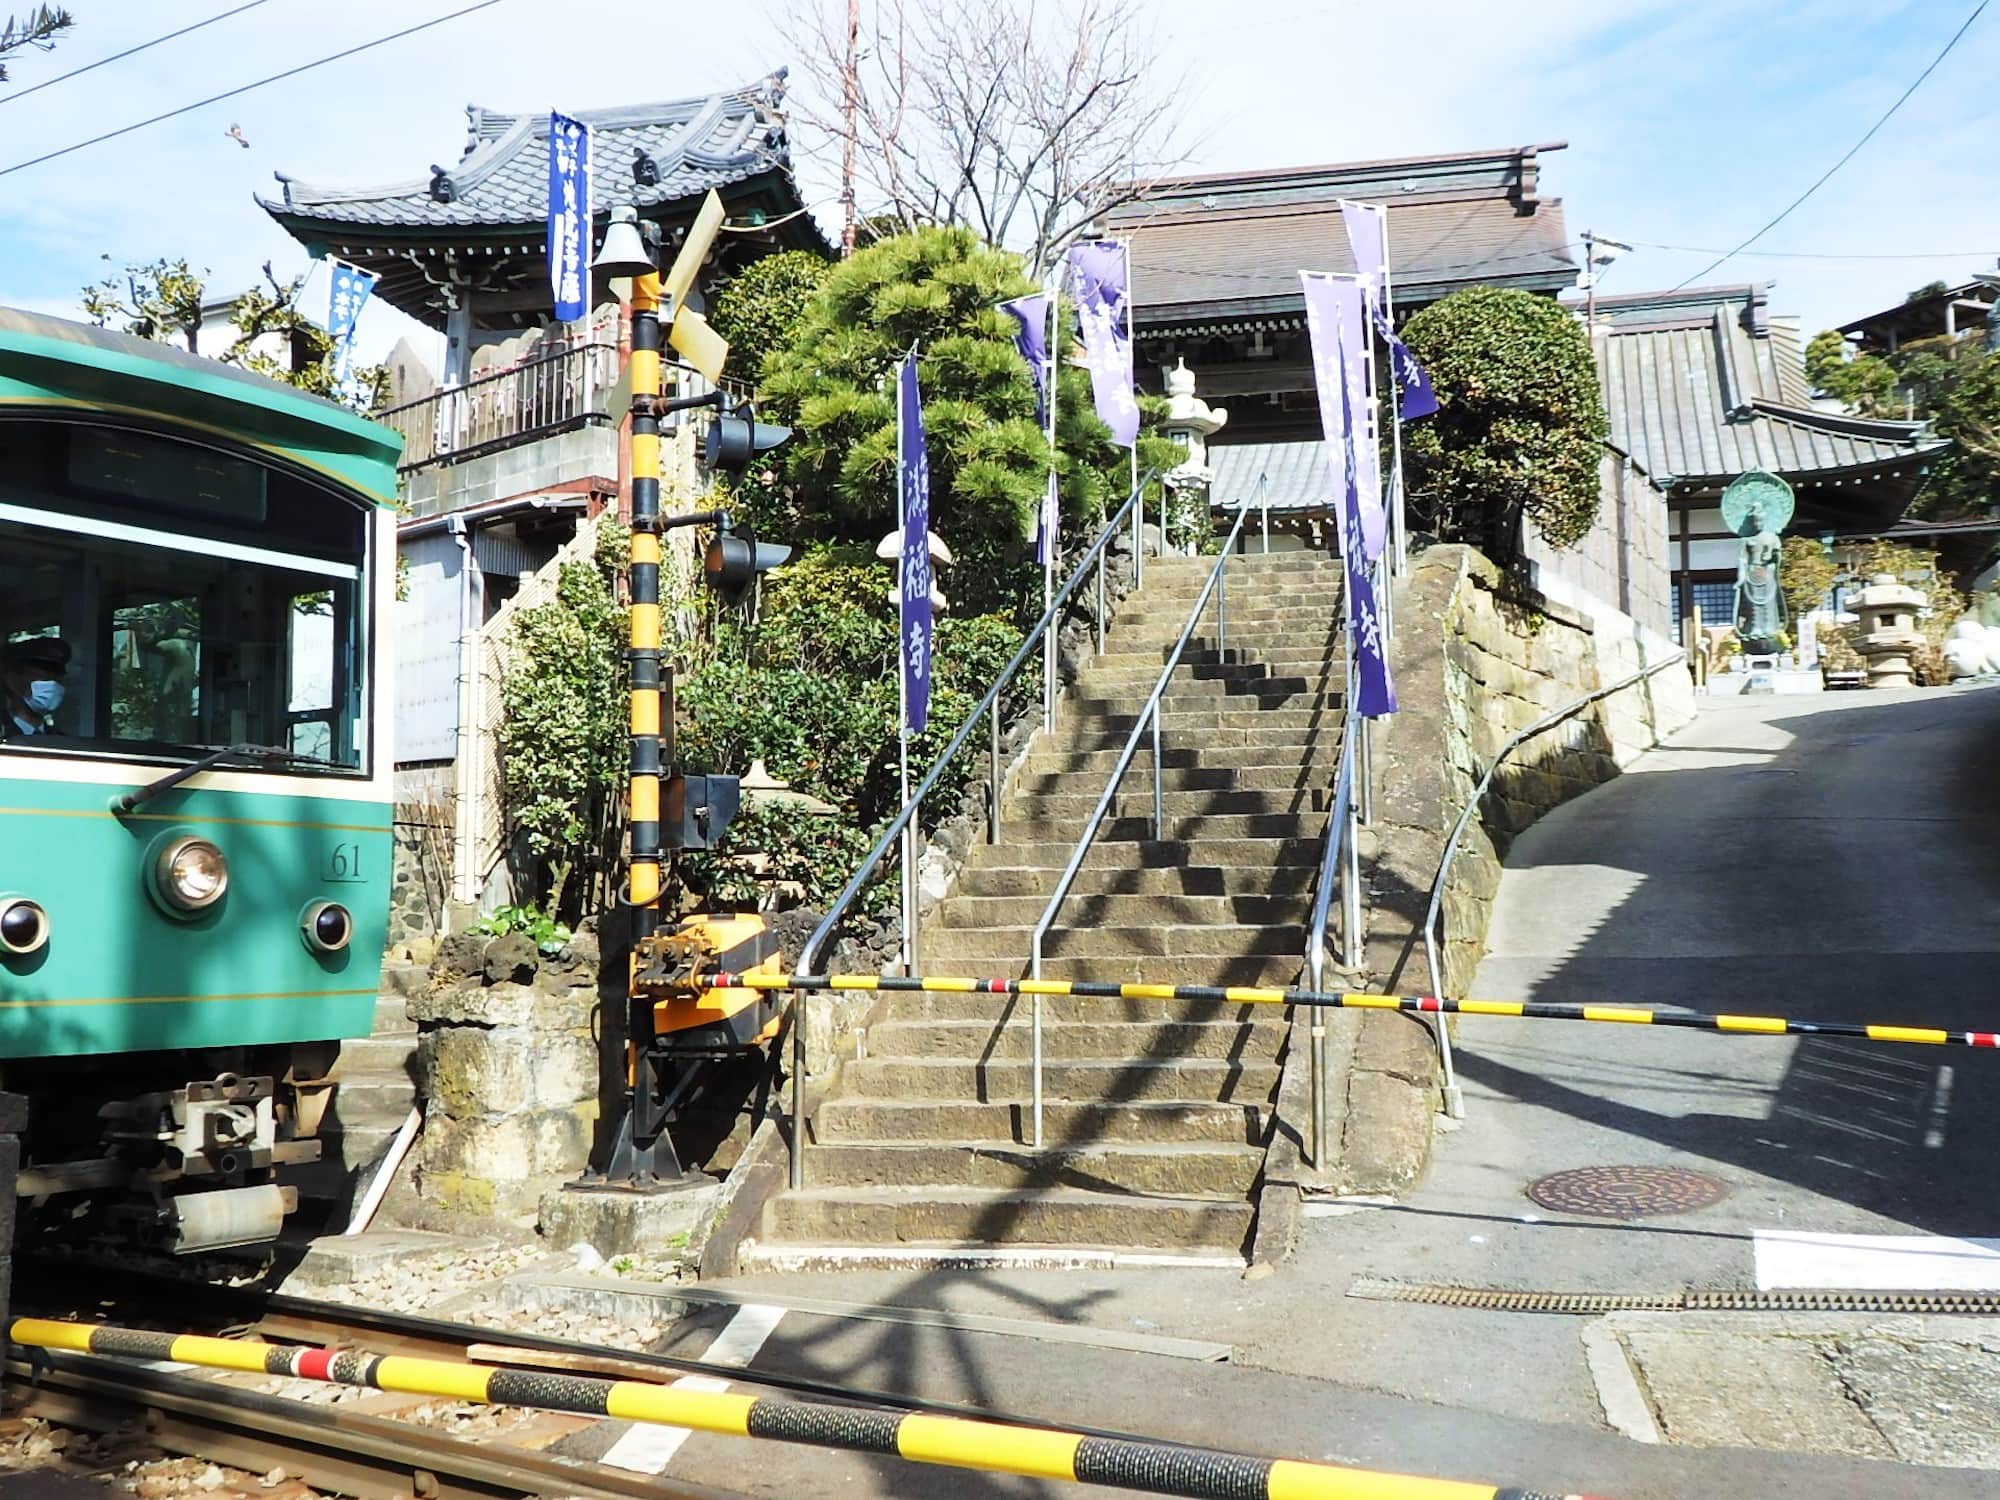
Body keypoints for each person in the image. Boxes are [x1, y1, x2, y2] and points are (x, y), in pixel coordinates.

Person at [1, 636, 71, 739]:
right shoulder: (4, 734)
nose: (52, 685)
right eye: (43, 677)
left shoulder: (62, 741)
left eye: (56, 677)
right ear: (11, 679)